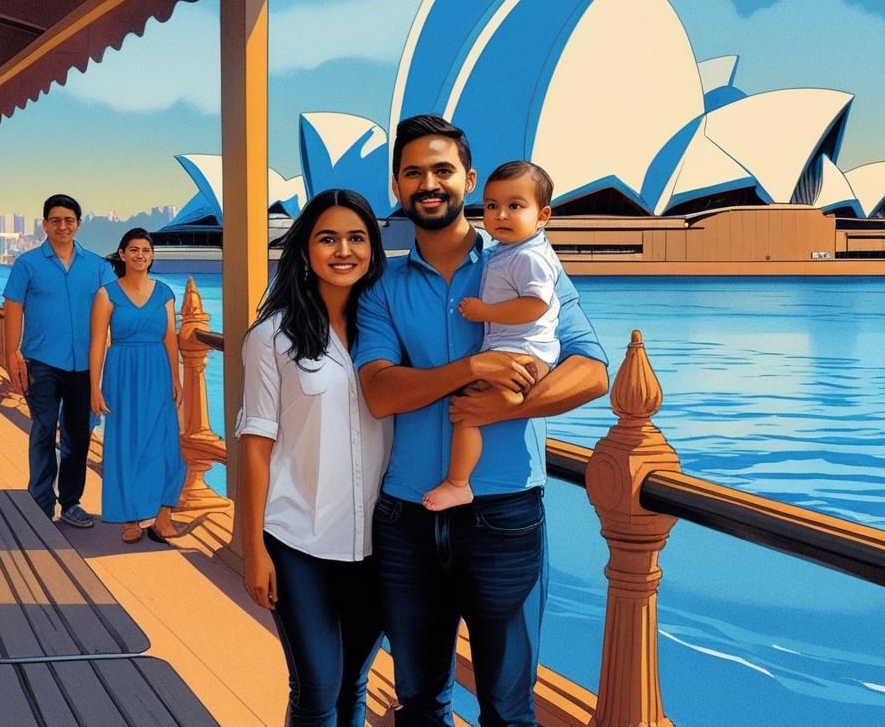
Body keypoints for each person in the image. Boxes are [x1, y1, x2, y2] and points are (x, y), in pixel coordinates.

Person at [353, 115, 610, 726]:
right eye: (413, 172)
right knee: (418, 703)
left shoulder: (526, 263)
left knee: (508, 709)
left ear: (467, 179)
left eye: (442, 170)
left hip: (505, 514)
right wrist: (474, 364)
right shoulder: (382, 287)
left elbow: (593, 370)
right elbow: (380, 392)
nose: (429, 183)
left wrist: (507, 402)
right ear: (397, 187)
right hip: (407, 517)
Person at [236, 190, 391, 726]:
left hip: (378, 542)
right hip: (297, 537)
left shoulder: (387, 332)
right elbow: (256, 445)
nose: (343, 250)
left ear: (373, 248)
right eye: (328, 238)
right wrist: (252, 547)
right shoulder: (270, 339)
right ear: (305, 251)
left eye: (356, 238)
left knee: (354, 683)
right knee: (317, 689)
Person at [423, 161, 561, 511]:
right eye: (491, 206)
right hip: (516, 350)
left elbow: (534, 305)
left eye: (515, 206)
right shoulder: (505, 252)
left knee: (468, 412)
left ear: (543, 214)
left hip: (523, 353)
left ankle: (458, 482)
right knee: (469, 407)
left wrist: (485, 312)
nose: (501, 215)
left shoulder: (530, 256)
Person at [3, 194, 116, 527]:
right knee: (42, 428)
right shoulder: (27, 264)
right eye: (55, 220)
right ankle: (39, 504)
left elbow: (114, 310)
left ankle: (71, 502)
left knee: (77, 435)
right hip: (41, 360)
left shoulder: (98, 267)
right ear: (45, 225)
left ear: (78, 224)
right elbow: (13, 308)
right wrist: (13, 354)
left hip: (85, 364)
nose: (62, 226)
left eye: (69, 220)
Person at [88, 228, 185, 543]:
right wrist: (95, 387)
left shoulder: (165, 293)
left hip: (157, 370)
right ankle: (130, 518)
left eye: (145, 250)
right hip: (122, 373)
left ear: (152, 255)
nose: (140, 255)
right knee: (125, 444)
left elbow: (170, 339)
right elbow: (98, 343)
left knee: (166, 445)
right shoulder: (107, 294)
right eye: (134, 249)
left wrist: (176, 378)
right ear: (122, 254)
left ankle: (163, 514)